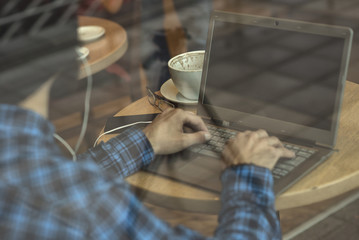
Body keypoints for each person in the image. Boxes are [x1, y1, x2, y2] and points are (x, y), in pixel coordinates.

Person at [0, 1, 294, 239]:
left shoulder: (39, 181)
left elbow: (53, 181)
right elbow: (63, 193)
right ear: (69, 55)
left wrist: (145, 141)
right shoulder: (84, 206)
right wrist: (247, 173)